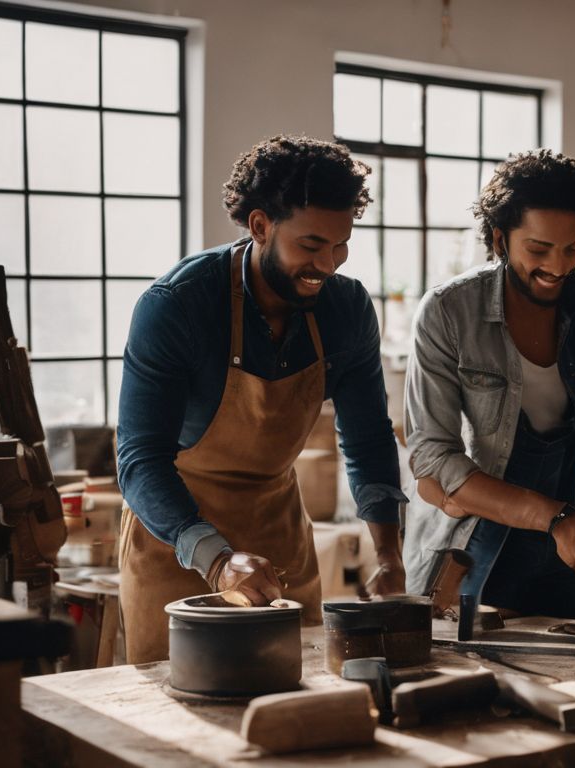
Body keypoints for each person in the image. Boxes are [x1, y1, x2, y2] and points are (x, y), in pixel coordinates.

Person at [116, 136, 406, 663]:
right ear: (259, 226)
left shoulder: (346, 310)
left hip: (280, 535)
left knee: (295, 705)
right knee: (179, 710)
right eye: (311, 245)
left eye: (341, 245)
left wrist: (388, 555)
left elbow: (366, 438)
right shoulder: (177, 306)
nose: (329, 264)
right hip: (174, 542)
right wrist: (219, 560)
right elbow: (138, 461)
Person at [402, 149, 575, 618]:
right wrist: (558, 519)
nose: (558, 267)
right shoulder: (447, 312)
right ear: (500, 240)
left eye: (571, 248)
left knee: (570, 681)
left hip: (559, 552)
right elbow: (433, 460)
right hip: (467, 547)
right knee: (471, 683)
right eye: (538, 250)